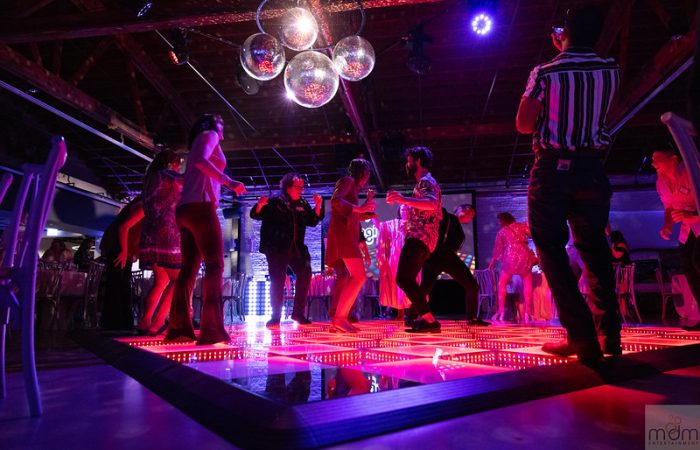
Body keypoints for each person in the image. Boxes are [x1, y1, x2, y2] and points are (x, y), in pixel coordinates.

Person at [516, 5, 621, 360]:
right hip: (593, 167)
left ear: (565, 33)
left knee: (550, 249)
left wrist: (560, 53)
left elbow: (523, 123)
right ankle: (610, 336)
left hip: (553, 169)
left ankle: (581, 337)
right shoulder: (611, 69)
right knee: (595, 251)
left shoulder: (545, 71)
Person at [165, 114, 246, 345]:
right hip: (201, 207)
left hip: (185, 209)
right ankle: (211, 330)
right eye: (220, 122)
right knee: (215, 265)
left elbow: (195, 167)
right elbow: (201, 161)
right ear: (213, 126)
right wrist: (229, 182)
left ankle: (179, 327)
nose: (223, 125)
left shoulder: (198, 141)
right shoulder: (209, 136)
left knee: (188, 270)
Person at [250, 172, 323, 328]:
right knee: (278, 280)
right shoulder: (275, 202)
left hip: (296, 247)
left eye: (302, 187)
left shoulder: (302, 203)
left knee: (305, 273)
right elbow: (255, 215)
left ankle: (298, 313)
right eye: (298, 187)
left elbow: (313, 221)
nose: (301, 190)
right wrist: (260, 205)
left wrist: (318, 206)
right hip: (277, 247)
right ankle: (275, 316)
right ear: (288, 187)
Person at [387, 146, 443, 333]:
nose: (407, 165)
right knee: (408, 279)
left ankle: (429, 320)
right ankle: (423, 318)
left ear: (418, 160)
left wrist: (403, 199)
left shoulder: (425, 182)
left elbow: (432, 203)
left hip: (420, 237)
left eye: (409, 160)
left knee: (404, 278)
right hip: (424, 239)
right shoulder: (427, 182)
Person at [652, 148, 700, 330]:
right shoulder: (661, 181)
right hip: (688, 230)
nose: (654, 164)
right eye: (653, 160)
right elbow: (669, 206)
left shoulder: (692, 170)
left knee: (698, 260)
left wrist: (692, 213)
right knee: (688, 267)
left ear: (673, 159)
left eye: (658, 159)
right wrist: (667, 225)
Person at [137, 150, 183, 335]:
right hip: (166, 233)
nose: (179, 165)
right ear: (170, 162)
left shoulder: (149, 180)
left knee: (161, 280)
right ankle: (158, 323)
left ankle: (144, 321)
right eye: (178, 161)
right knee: (179, 280)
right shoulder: (167, 176)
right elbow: (189, 180)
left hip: (149, 233)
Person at [326, 159, 375, 333]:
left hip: (346, 236)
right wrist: (361, 210)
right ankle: (339, 318)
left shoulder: (352, 187)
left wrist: (364, 211)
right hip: (344, 237)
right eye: (367, 173)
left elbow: (349, 214)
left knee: (357, 276)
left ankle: (340, 318)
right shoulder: (347, 181)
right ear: (362, 172)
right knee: (359, 276)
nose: (368, 177)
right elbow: (335, 201)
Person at [421, 204, 488, 326]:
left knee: (472, 286)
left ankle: (472, 318)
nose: (469, 219)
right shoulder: (446, 216)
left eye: (471, 216)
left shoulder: (455, 223)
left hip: (447, 257)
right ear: (463, 212)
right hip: (438, 255)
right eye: (470, 215)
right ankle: (412, 317)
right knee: (424, 288)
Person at [99, 197, 144, 330]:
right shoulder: (143, 206)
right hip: (118, 246)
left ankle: (119, 323)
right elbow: (124, 227)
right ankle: (116, 323)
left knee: (121, 283)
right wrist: (125, 251)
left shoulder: (140, 204)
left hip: (119, 245)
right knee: (118, 283)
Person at [488, 212, 535, 323]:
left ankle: (501, 311)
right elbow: (532, 235)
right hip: (524, 254)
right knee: (527, 283)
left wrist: (493, 260)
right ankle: (528, 313)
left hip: (510, 256)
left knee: (502, 283)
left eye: (500, 221)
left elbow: (497, 248)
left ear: (503, 220)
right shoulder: (522, 225)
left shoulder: (502, 231)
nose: (499, 223)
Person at [374, 204, 412, 319]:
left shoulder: (415, 223)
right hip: (396, 257)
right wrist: (372, 217)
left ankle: (413, 312)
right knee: (397, 283)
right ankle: (400, 311)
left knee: (412, 282)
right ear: (399, 211)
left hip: (411, 255)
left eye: (407, 209)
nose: (405, 211)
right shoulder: (393, 223)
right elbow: (380, 228)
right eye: (403, 209)